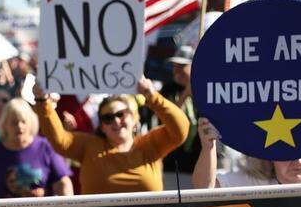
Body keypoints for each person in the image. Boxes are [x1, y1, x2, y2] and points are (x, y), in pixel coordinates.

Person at [34, 78, 189, 194]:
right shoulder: (89, 146)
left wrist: (152, 96)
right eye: (108, 118)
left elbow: (181, 129)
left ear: (134, 119)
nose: (116, 121)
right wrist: (43, 101)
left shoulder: (150, 144)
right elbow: (59, 140)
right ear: (102, 126)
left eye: (121, 114)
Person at [0, 98, 73, 199]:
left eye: (23, 122)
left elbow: (63, 183)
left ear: (31, 123)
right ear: (4, 125)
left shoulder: (45, 147)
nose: (19, 126)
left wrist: (66, 205)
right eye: (14, 122)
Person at [191, 117, 301, 188]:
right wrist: (208, 146)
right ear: (271, 157)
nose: (298, 161)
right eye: (288, 154)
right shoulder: (254, 184)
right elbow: (204, 189)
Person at [162, 47, 200, 189]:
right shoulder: (168, 89)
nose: (177, 70)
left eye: (182, 66)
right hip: (174, 162)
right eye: (175, 66)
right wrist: (185, 95)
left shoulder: (205, 88)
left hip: (198, 160)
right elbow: (168, 120)